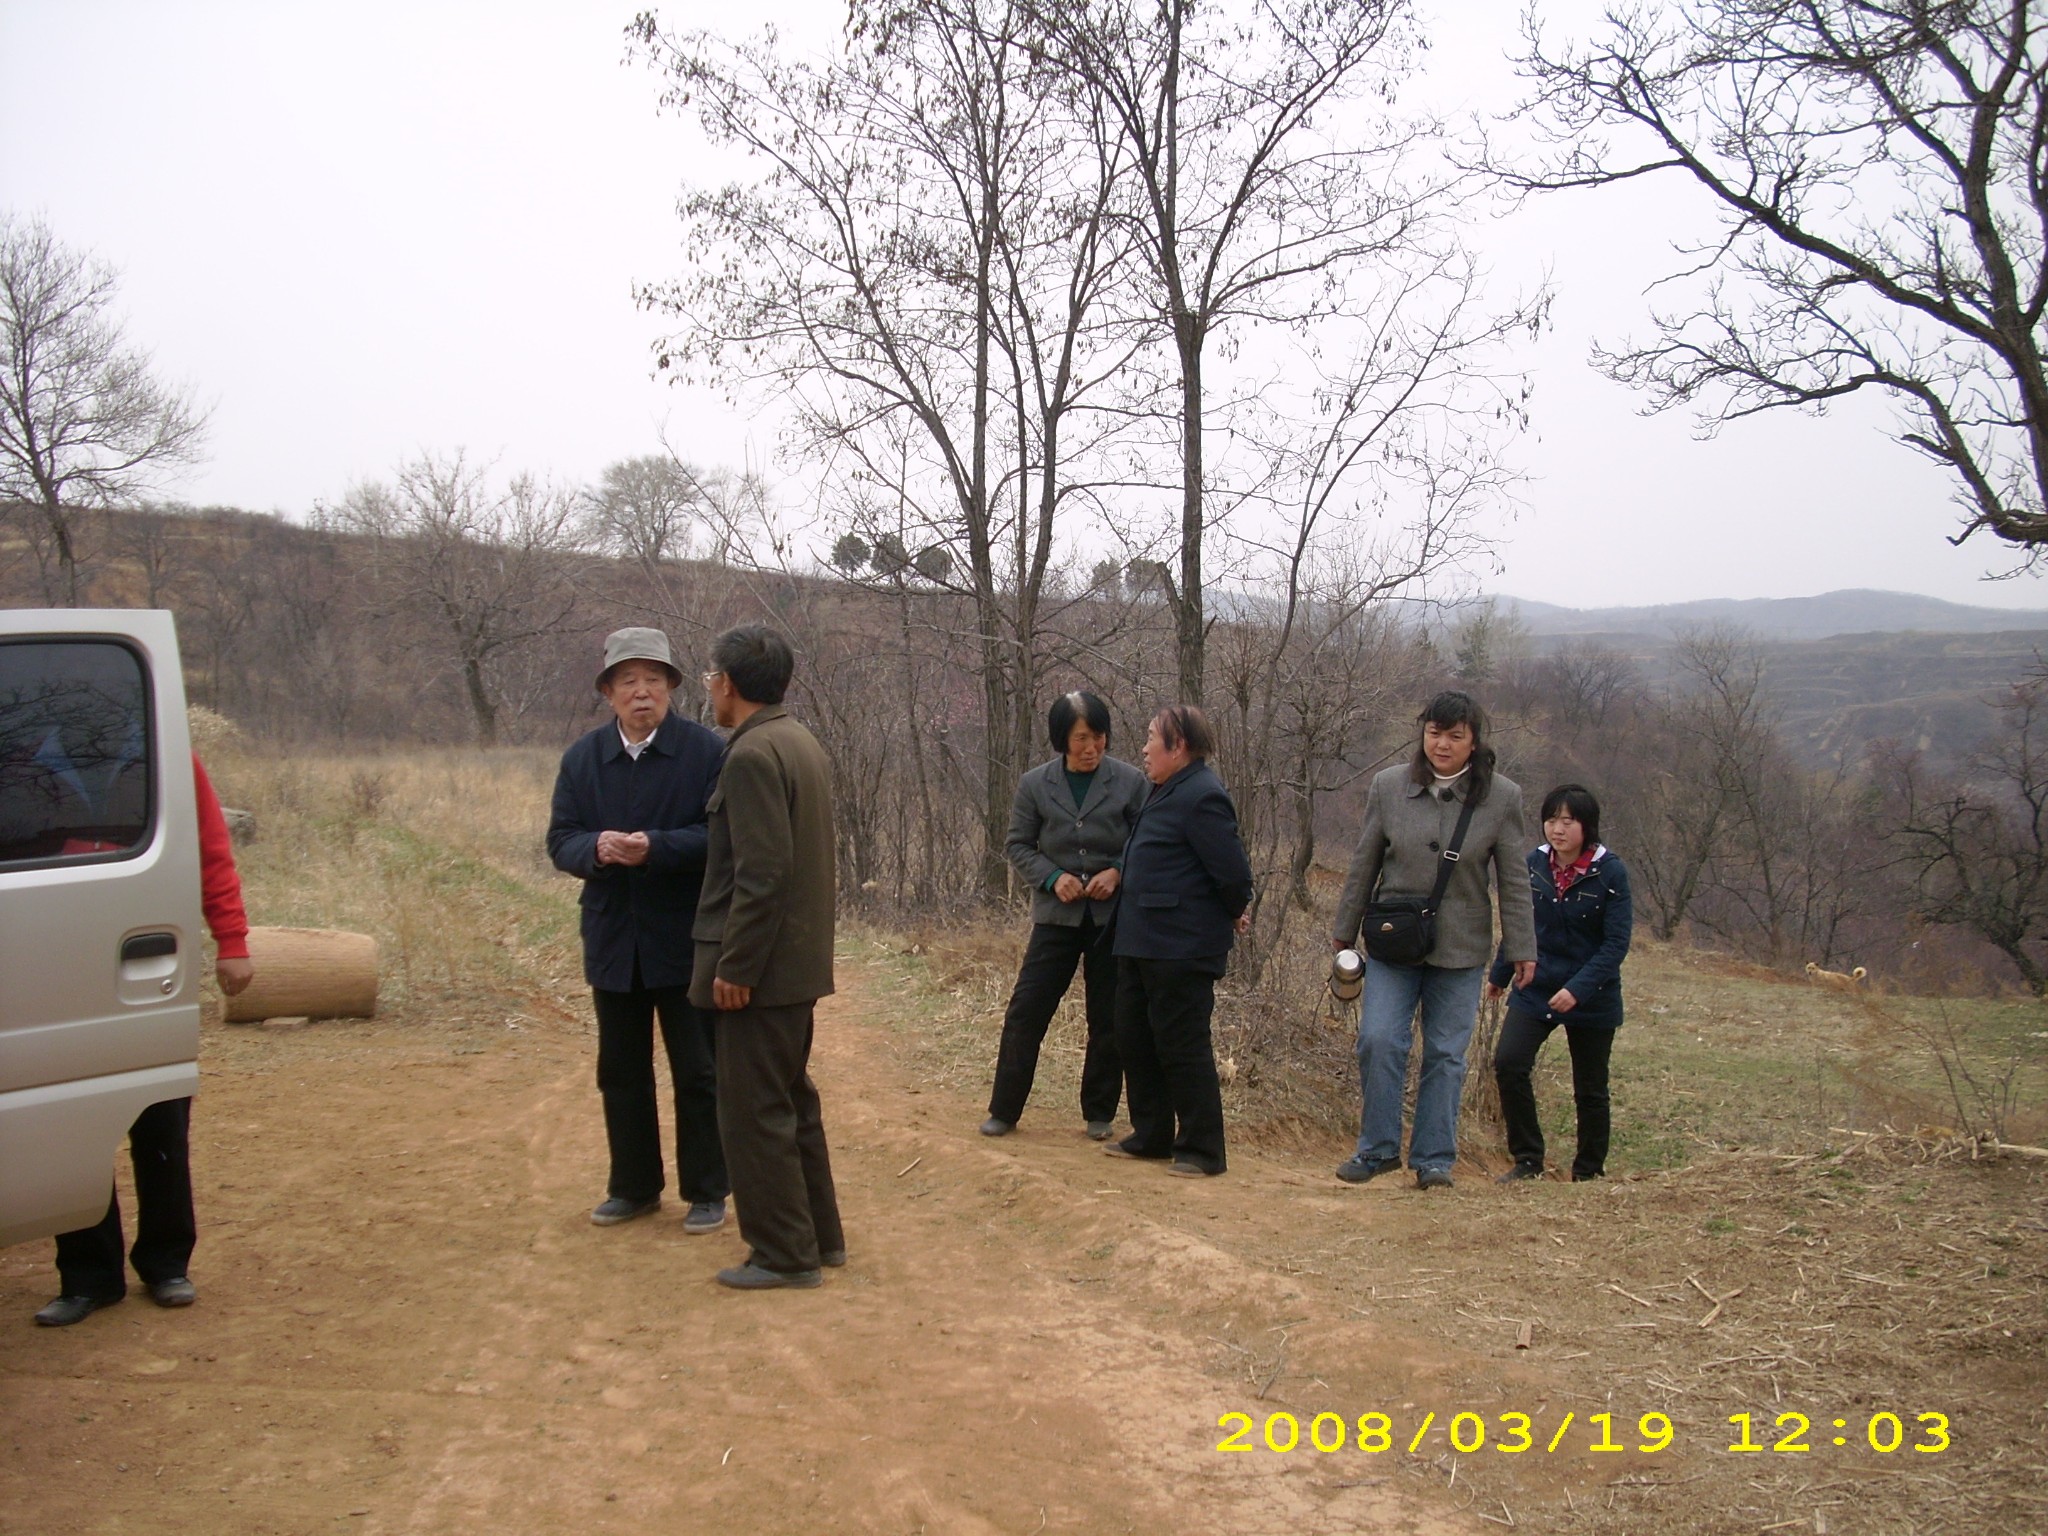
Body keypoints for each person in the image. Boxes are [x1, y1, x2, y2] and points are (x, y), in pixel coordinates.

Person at [35, 754, 253, 1326]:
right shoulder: (25, 751)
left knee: (159, 1117)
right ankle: (87, 1276)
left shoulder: (165, 750)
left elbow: (211, 851)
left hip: (146, 955)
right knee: (71, 1120)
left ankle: (166, 1264)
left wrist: (232, 941)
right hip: (50, 962)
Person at [546, 627, 730, 1234]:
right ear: (608, 692)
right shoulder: (583, 758)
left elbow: (720, 842)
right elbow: (559, 841)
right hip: (612, 938)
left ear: (672, 687)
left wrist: (654, 847)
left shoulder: (707, 754)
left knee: (698, 1069)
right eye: (629, 681)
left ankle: (707, 1189)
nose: (642, 692)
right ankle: (633, 1187)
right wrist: (594, 848)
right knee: (620, 1070)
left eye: (654, 679)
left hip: (683, 940)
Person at [1331, 691, 1537, 1190]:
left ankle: (1434, 1161)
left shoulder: (1502, 797)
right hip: (1394, 941)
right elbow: (1364, 863)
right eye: (1434, 733)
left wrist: (1522, 947)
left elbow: (1513, 879)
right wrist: (1343, 931)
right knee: (1379, 1039)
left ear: (1473, 742)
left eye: (1454, 736)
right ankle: (1377, 1149)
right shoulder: (1388, 787)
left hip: (1461, 947)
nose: (1442, 745)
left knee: (1446, 1053)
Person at [693, 624, 845, 1290]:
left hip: (764, 973)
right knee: (790, 1100)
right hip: (796, 966)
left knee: (753, 1110)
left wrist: (736, 967)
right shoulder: (798, 740)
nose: (708, 688)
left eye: (709, 676)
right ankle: (820, 1237)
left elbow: (763, 872)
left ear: (728, 683)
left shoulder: (753, 754)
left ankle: (784, 1254)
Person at [982, 691, 1149, 1141]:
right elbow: (1017, 844)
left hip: (1111, 918)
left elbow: (1148, 840)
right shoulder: (1035, 784)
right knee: (1027, 1011)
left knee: (1108, 1017)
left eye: (1098, 737)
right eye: (1081, 738)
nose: (1091, 747)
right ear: (1062, 740)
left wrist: (1117, 871)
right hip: (1056, 916)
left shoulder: (1131, 782)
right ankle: (1004, 1109)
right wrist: (1053, 876)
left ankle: (1098, 1112)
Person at [1105, 705, 1253, 1178]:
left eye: (1152, 739)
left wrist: (1234, 909)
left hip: (1181, 946)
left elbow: (1232, 872)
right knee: (1134, 1036)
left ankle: (1202, 1148)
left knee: (1182, 1044)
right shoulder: (1163, 790)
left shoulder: (1203, 796)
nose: (1145, 749)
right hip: (1140, 940)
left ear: (1179, 746)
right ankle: (1152, 1135)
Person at [1488, 784, 1634, 1183]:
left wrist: (1579, 989)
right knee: (1509, 1064)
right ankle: (1528, 1160)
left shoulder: (1610, 872)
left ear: (1587, 826)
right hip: (1536, 983)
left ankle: (1588, 1171)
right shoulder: (1534, 863)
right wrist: (1500, 974)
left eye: (1567, 821)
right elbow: (1521, 922)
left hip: (1593, 994)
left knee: (1590, 1088)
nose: (1558, 829)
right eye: (1551, 820)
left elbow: (1616, 943)